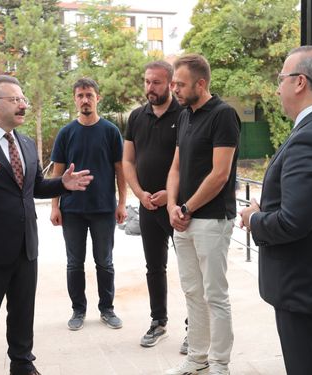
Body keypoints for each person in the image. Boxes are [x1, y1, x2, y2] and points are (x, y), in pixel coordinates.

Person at [0, 75, 93, 375]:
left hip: (25, 246)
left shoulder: (24, 143)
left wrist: (62, 184)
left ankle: (22, 364)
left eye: (23, 99)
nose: (23, 104)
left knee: (23, 314)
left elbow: (34, 186)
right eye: (15, 99)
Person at [240, 46, 312, 375]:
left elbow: (295, 221)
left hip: (306, 283)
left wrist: (254, 219)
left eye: (281, 78)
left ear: (300, 82)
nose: (277, 88)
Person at [165, 54, 240, 375]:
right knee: (193, 294)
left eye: (180, 84)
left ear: (201, 83)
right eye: (173, 84)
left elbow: (220, 174)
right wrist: (171, 205)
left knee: (215, 295)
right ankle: (196, 359)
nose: (175, 90)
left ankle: (219, 364)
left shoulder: (224, 115)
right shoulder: (185, 116)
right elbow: (177, 167)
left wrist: (186, 207)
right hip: (182, 219)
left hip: (211, 219)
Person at [49, 77, 127, 331]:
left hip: (104, 209)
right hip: (72, 210)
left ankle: (107, 308)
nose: (85, 100)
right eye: (80, 95)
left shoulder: (110, 131)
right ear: (75, 99)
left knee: (104, 261)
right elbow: (57, 173)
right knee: (74, 263)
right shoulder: (66, 133)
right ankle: (78, 310)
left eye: (89, 95)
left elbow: (120, 170)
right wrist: (54, 206)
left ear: (97, 98)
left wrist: (122, 203)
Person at [124, 60, 185, 348]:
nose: (150, 87)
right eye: (147, 81)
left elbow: (189, 164)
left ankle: (193, 328)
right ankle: (158, 321)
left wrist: (168, 196)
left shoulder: (185, 114)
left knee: (189, 269)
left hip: (177, 208)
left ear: (171, 84)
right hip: (148, 206)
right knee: (154, 268)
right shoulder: (136, 116)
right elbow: (127, 160)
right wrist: (139, 193)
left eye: (156, 82)